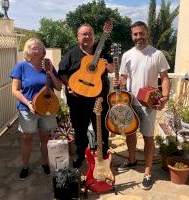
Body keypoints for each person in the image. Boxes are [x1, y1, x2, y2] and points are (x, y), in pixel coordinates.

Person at [115, 21, 170, 190]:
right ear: (132, 36)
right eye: (135, 34)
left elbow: (165, 77)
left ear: (147, 33)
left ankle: (147, 172)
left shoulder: (157, 54)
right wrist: (120, 82)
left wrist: (165, 96)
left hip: (148, 103)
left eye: (141, 33)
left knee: (148, 137)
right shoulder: (126, 55)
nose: (138, 37)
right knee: (130, 133)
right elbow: (124, 77)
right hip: (130, 102)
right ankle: (132, 160)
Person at [58, 23, 114, 168]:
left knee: (101, 128)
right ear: (78, 37)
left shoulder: (102, 52)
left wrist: (107, 65)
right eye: (84, 34)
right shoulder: (71, 54)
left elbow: (112, 68)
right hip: (77, 99)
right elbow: (62, 73)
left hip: (99, 99)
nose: (87, 36)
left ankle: (103, 153)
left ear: (95, 36)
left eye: (89, 34)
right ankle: (80, 153)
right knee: (79, 128)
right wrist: (69, 86)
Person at [10, 38, 62, 180]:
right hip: (28, 110)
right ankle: (25, 166)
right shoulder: (21, 67)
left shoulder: (48, 66)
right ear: (27, 50)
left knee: (45, 138)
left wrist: (51, 73)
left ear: (43, 51)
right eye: (33, 47)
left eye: (39, 47)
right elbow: (15, 90)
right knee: (27, 139)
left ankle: (45, 163)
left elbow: (58, 87)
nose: (37, 49)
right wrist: (28, 103)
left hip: (47, 109)